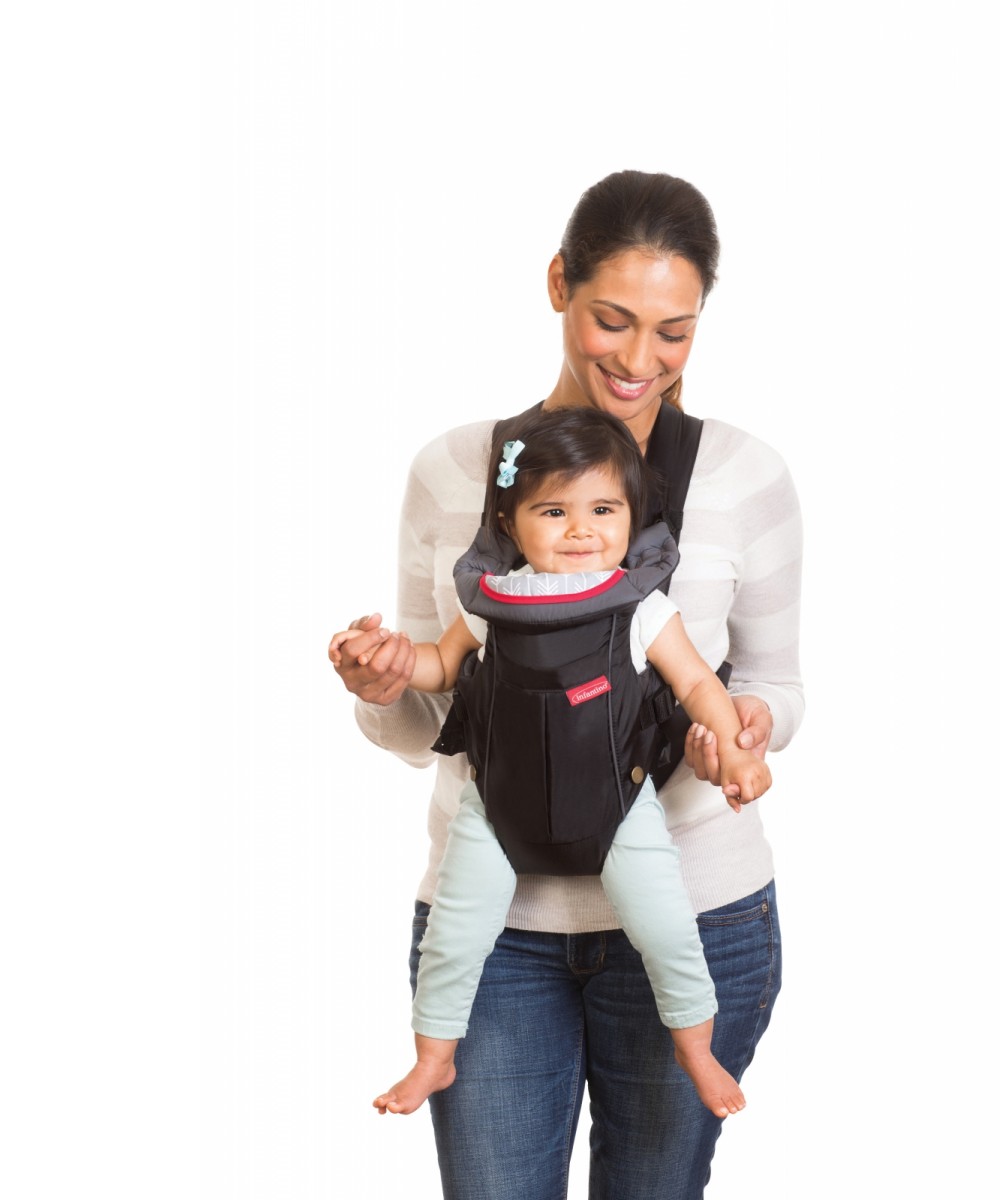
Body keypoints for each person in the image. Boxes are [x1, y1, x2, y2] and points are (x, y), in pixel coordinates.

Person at [331, 169, 804, 1200]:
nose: (639, 361)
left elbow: (772, 684)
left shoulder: (746, 476)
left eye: (674, 332)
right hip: (496, 924)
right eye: (612, 320)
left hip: (693, 900)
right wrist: (382, 681)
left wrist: (745, 730)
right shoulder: (460, 471)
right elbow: (421, 721)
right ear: (558, 284)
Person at [330, 406, 772, 1121]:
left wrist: (738, 753)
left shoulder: (640, 608)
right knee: (454, 933)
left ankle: (695, 1047)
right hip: (495, 809)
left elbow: (697, 683)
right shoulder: (490, 604)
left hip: (618, 806)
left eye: (603, 509)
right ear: (510, 524)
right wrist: (387, 661)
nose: (581, 529)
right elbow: (439, 666)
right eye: (554, 511)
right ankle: (434, 1057)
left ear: (632, 518)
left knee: (668, 928)